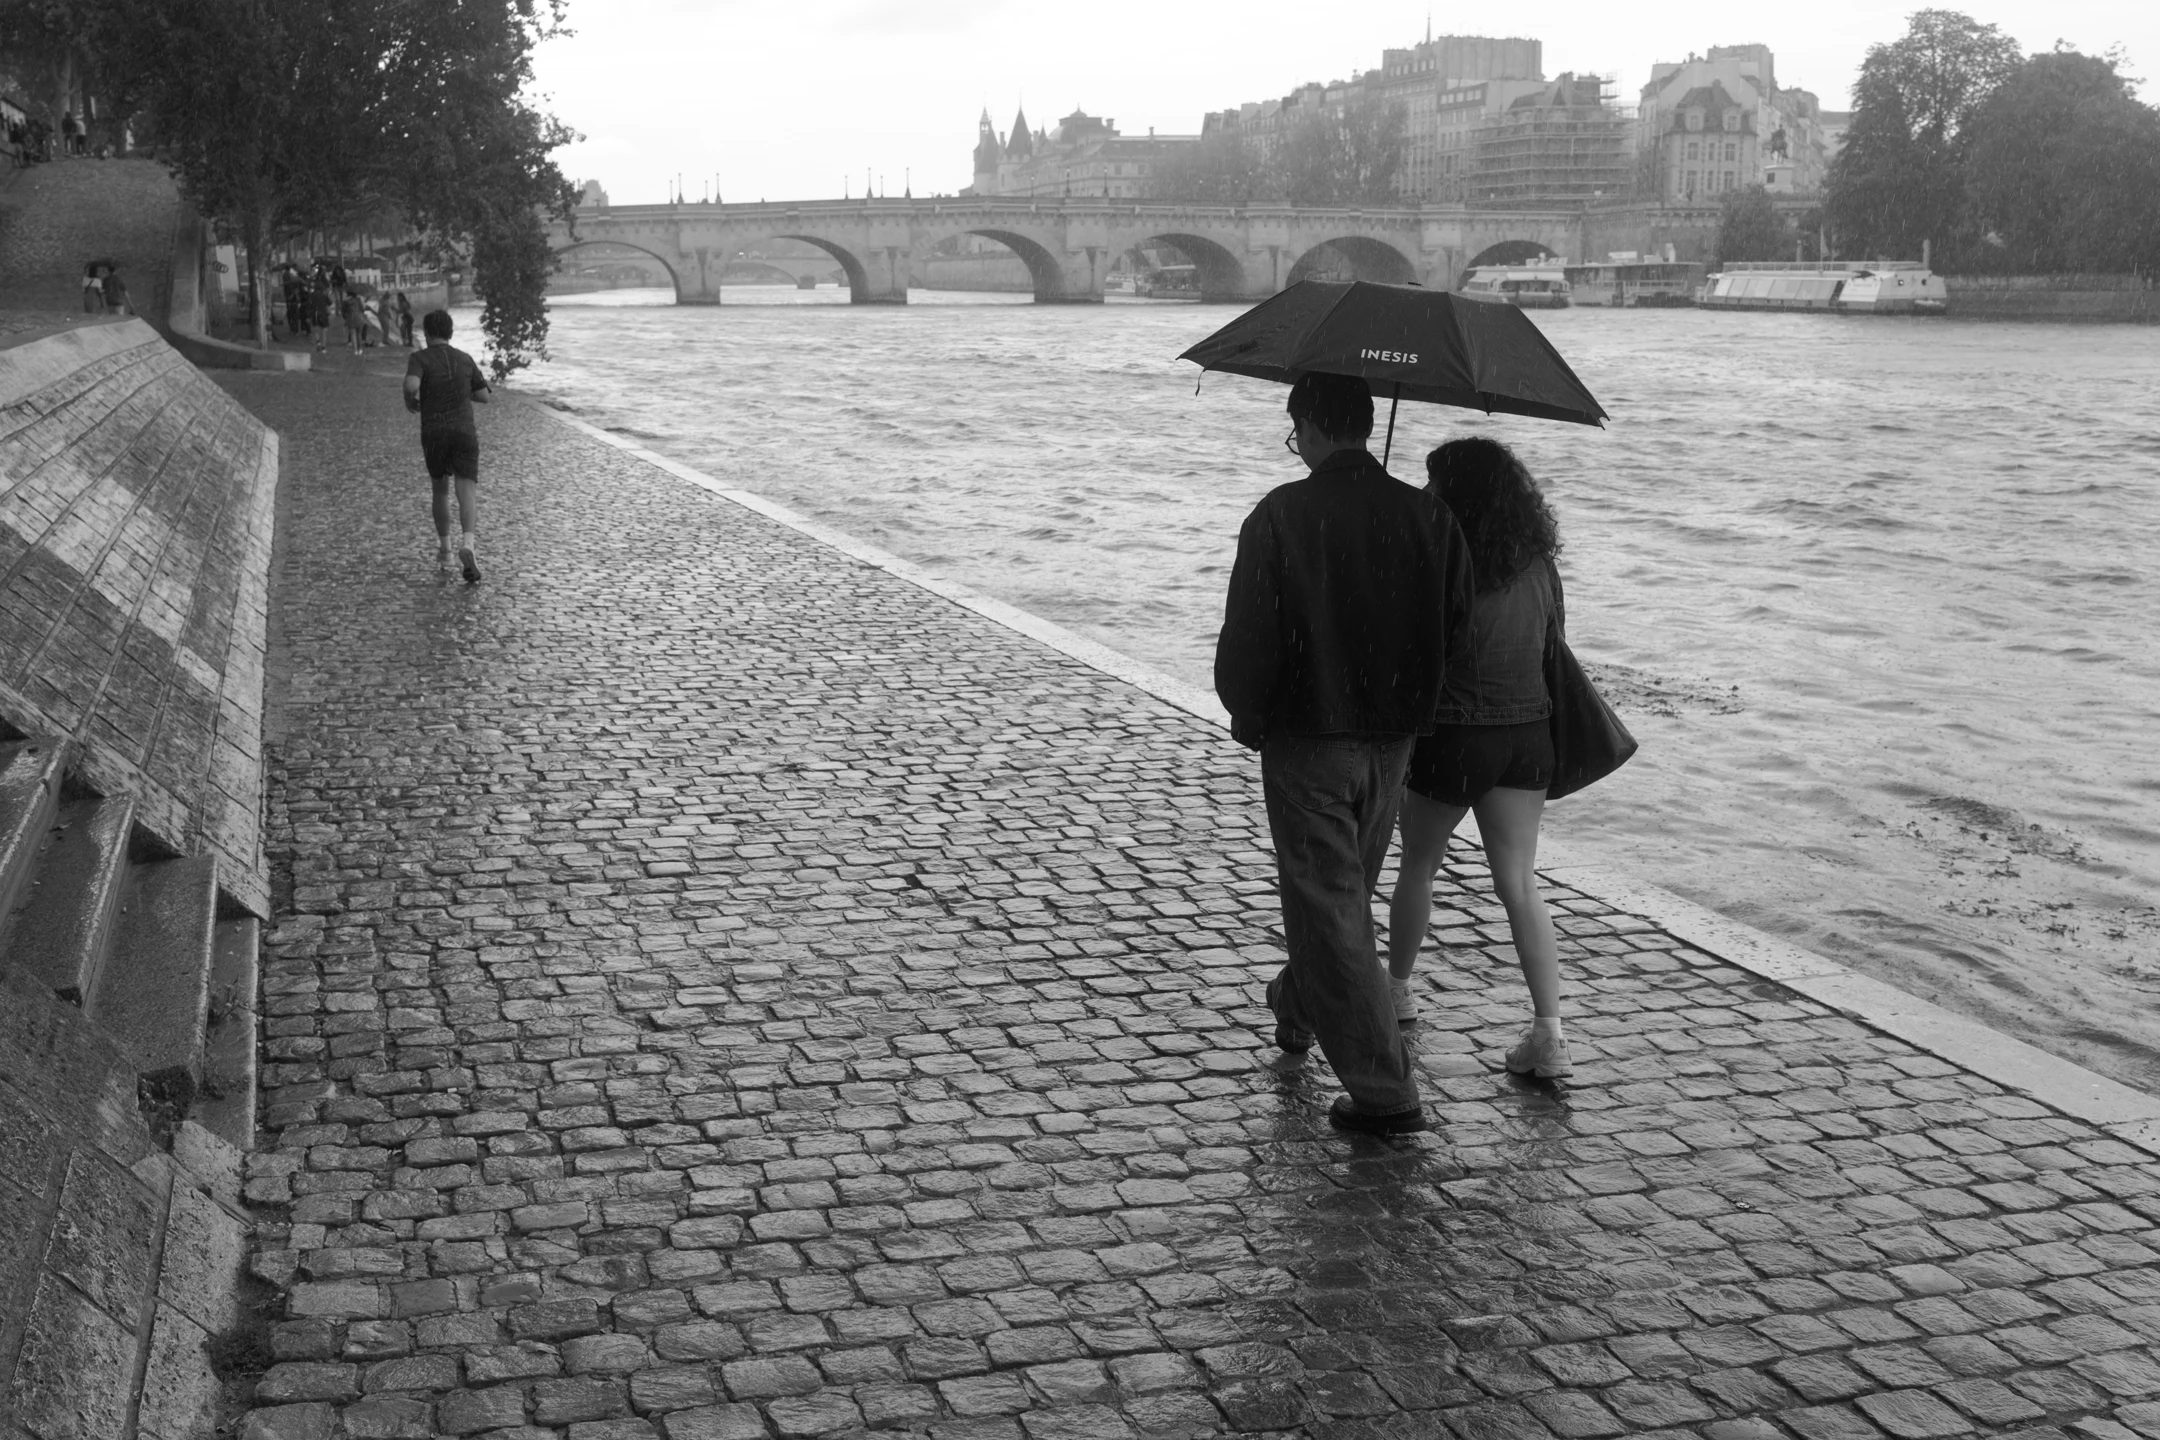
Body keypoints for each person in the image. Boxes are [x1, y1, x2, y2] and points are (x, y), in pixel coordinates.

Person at [1214, 372, 1475, 1137]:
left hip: (1308, 736)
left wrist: (1248, 712)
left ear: (1311, 426)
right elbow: (1456, 629)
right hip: (1394, 738)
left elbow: (1250, 634)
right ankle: (1297, 1009)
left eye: (1295, 432)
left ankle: (1385, 1091)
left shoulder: (1281, 515)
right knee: (1340, 892)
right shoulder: (1428, 516)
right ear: (1364, 424)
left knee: (1328, 900)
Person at [1387, 437, 1572, 1078]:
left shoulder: (1442, 554)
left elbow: (1419, 647)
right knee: (1520, 883)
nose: (1427, 488)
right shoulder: (1539, 564)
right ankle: (1548, 1033)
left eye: (1433, 479)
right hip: (1529, 737)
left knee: (1419, 864)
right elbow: (1554, 643)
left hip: (1455, 735)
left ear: (1453, 491)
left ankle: (1396, 990)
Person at [404, 309, 492, 582]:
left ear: (427, 333)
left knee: (440, 490)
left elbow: (411, 385)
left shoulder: (420, 358)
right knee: (467, 491)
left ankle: (446, 552)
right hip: (464, 431)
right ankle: (469, 543)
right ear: (450, 333)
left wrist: (410, 397)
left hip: (434, 433)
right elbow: (483, 396)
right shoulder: (464, 359)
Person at [309, 273, 333, 354]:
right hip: (323, 314)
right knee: (324, 331)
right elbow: (330, 303)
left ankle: (318, 342)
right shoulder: (324, 295)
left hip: (315, 313)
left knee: (316, 329)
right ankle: (323, 347)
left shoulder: (312, 295)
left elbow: (310, 305)